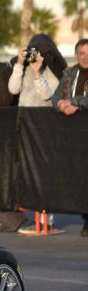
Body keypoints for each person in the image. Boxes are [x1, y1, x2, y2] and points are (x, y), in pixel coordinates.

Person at [50, 38, 88, 237]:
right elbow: (56, 97)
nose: (86, 57)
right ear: (77, 55)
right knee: (79, 176)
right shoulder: (69, 73)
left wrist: (75, 102)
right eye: (82, 53)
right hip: (73, 134)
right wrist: (61, 105)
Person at [9, 33, 65, 107]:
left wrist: (36, 73)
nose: (36, 55)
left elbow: (46, 96)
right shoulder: (25, 67)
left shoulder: (54, 70)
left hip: (44, 115)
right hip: (24, 114)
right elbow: (13, 89)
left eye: (41, 52)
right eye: (34, 52)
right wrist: (19, 63)